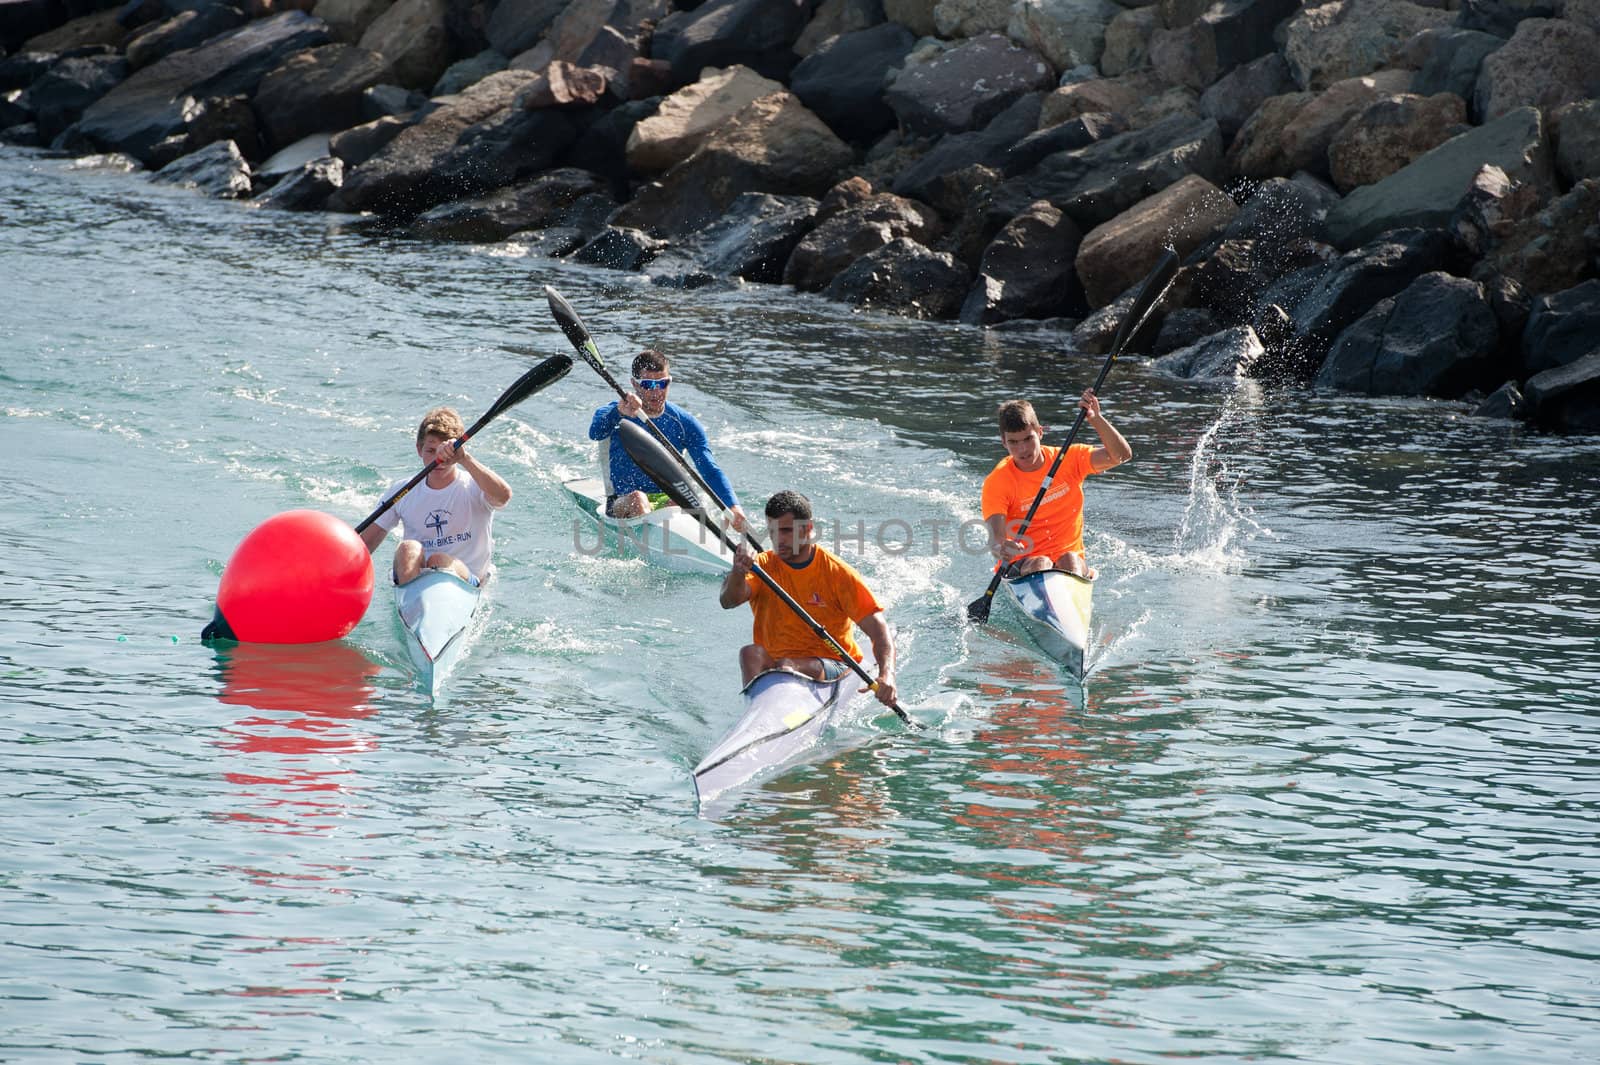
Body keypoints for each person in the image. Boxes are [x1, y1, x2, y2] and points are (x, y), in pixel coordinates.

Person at [720, 490, 899, 708]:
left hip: (832, 665)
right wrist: (738, 571)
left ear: (808, 529)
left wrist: (887, 674)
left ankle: (779, 714)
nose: (778, 540)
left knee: (786, 666)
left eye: (786, 531)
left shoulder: (836, 573)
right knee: (750, 654)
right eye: (773, 532)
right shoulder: (762, 566)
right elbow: (728, 601)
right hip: (777, 666)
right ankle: (756, 714)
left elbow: (878, 628)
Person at [587, 347, 747, 529]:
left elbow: (709, 470)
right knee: (638, 499)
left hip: (668, 501)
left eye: (663, 384)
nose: (657, 392)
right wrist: (618, 412)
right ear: (635, 384)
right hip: (621, 502)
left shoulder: (684, 423)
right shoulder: (614, 412)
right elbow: (595, 433)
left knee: (687, 503)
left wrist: (733, 505)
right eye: (649, 385)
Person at [981, 390, 1132, 580]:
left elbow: (1121, 456)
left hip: (1071, 563)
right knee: (1040, 562)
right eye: (1013, 442)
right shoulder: (998, 481)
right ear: (1004, 442)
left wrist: (1096, 419)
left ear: (1040, 432)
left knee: (1070, 560)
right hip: (1023, 566)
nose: (1023, 449)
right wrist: (1001, 548)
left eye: (1028, 438)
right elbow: (995, 540)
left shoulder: (1068, 459)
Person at [359, 406, 511, 585]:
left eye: (447, 452)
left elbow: (504, 496)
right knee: (407, 549)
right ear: (419, 449)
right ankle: (415, 602)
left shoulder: (475, 486)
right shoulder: (401, 491)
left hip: (465, 580)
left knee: (438, 561)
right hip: (416, 579)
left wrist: (464, 458)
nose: (438, 460)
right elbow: (363, 545)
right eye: (431, 451)